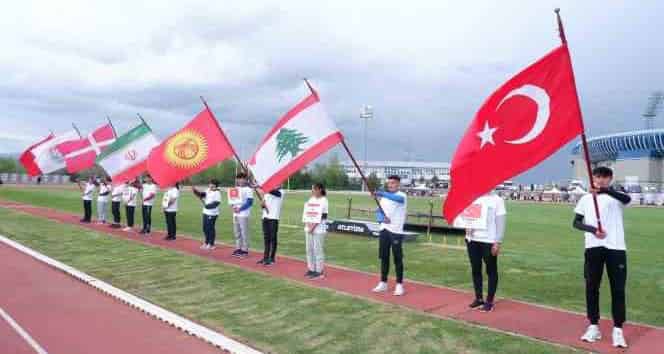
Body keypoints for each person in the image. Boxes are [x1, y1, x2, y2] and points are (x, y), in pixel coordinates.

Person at [573, 167, 631, 348]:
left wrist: (605, 191)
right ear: (593, 177)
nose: (601, 180)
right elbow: (576, 222)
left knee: (618, 289)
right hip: (593, 246)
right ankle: (593, 326)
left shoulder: (616, 196)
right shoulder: (585, 199)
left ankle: (618, 329)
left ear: (610, 179)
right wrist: (593, 230)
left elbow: (627, 199)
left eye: (605, 177)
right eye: (598, 176)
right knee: (592, 287)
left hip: (616, 247)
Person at [464, 192, 507, 312]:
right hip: (472, 239)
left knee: (491, 270)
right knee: (476, 269)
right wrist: (466, 227)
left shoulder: (497, 200)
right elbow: (468, 217)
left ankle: (489, 301)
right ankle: (478, 298)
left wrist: (497, 242)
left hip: (489, 240)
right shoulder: (473, 197)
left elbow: (500, 222)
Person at [372, 175, 408, 296]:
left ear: (398, 184)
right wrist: (382, 219)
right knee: (384, 257)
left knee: (397, 258)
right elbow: (378, 212)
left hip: (396, 231)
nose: (390, 185)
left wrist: (381, 193)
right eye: (389, 183)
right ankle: (383, 282)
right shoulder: (384, 198)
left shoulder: (402, 195)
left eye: (393, 183)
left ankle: (399, 284)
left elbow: (398, 199)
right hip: (384, 230)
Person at [304, 183, 328, 279]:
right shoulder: (311, 199)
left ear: (320, 190)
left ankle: (319, 271)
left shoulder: (324, 200)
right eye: (312, 189)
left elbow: (323, 216)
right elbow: (307, 213)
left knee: (318, 250)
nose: (312, 191)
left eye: (314, 189)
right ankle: (311, 269)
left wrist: (313, 226)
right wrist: (308, 225)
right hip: (308, 228)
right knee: (309, 249)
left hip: (319, 229)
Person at [258, 187, 284, 266]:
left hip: (274, 218)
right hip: (265, 217)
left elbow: (276, 193)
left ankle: (272, 258)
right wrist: (262, 204)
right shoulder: (267, 193)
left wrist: (264, 187)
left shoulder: (281, 192)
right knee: (266, 238)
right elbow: (263, 206)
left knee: (273, 238)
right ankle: (265, 257)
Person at [193, 179, 222, 250]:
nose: (210, 185)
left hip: (212, 213)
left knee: (210, 228)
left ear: (215, 185)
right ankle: (206, 242)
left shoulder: (217, 193)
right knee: (205, 228)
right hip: (205, 212)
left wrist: (207, 206)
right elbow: (202, 195)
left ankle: (211, 244)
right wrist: (195, 191)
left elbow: (216, 204)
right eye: (210, 183)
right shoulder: (208, 190)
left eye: (212, 184)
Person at [230, 172, 254, 258]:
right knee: (237, 232)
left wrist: (240, 209)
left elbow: (249, 202)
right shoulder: (236, 188)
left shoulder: (248, 189)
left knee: (244, 232)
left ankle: (245, 250)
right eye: (238, 178)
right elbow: (232, 200)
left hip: (244, 214)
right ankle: (238, 248)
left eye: (242, 178)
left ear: (245, 179)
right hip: (235, 214)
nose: (240, 180)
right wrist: (233, 206)